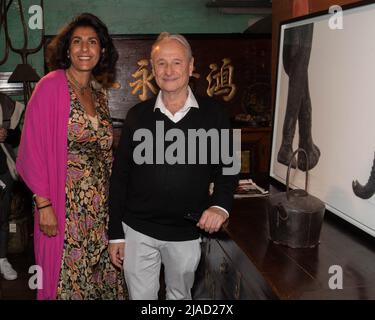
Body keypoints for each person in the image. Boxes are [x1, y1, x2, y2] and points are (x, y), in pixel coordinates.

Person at [108, 32, 238, 300]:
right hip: (138, 230)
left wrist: (220, 205)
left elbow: (229, 168)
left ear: (191, 67)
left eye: (177, 62)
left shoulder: (215, 113)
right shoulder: (137, 115)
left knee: (180, 296)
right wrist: (115, 234)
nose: (169, 71)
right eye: (161, 63)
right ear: (153, 68)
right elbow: (120, 177)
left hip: (187, 231)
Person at [16, 13, 126, 300]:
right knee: (68, 283)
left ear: (102, 50)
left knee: (101, 281)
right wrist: (44, 205)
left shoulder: (98, 94)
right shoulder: (51, 86)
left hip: (100, 210)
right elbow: (31, 150)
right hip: (65, 207)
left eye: (92, 41)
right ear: (67, 49)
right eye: (77, 41)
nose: (84, 48)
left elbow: (105, 155)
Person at [0, 93, 24, 281]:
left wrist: (6, 134)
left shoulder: (4, 102)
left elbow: (17, 136)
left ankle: (1, 259)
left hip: (3, 169)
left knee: (2, 217)